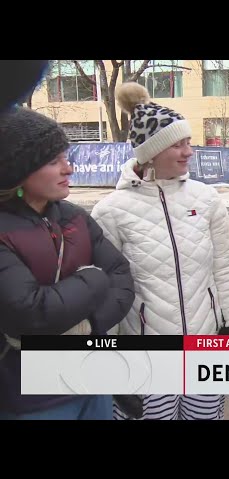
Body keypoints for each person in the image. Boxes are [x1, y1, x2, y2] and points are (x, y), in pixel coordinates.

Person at [91, 82, 229, 420]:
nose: (188, 151)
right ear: (151, 151)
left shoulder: (206, 199)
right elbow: (103, 290)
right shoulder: (111, 211)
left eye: (188, 142)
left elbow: (224, 267)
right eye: (178, 144)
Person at [0, 107, 135, 420]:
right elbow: (32, 311)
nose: (68, 168)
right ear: (19, 171)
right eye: (53, 161)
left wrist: (87, 327)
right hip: (32, 398)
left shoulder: (74, 216)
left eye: (66, 157)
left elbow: (122, 278)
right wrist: (93, 280)